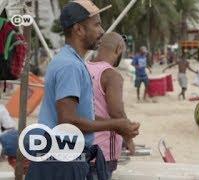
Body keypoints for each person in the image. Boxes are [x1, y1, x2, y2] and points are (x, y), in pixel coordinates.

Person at [26, 1, 139, 180]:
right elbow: (68, 121)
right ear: (79, 30)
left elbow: (79, 114)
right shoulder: (70, 66)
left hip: (63, 157)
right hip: (62, 161)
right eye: (96, 24)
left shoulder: (73, 61)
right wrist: (116, 124)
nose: (102, 31)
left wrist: (117, 126)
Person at [86, 32, 135, 178]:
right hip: (103, 152)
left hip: (82, 147)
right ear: (119, 48)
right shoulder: (111, 75)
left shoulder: (84, 67)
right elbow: (117, 113)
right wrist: (129, 138)